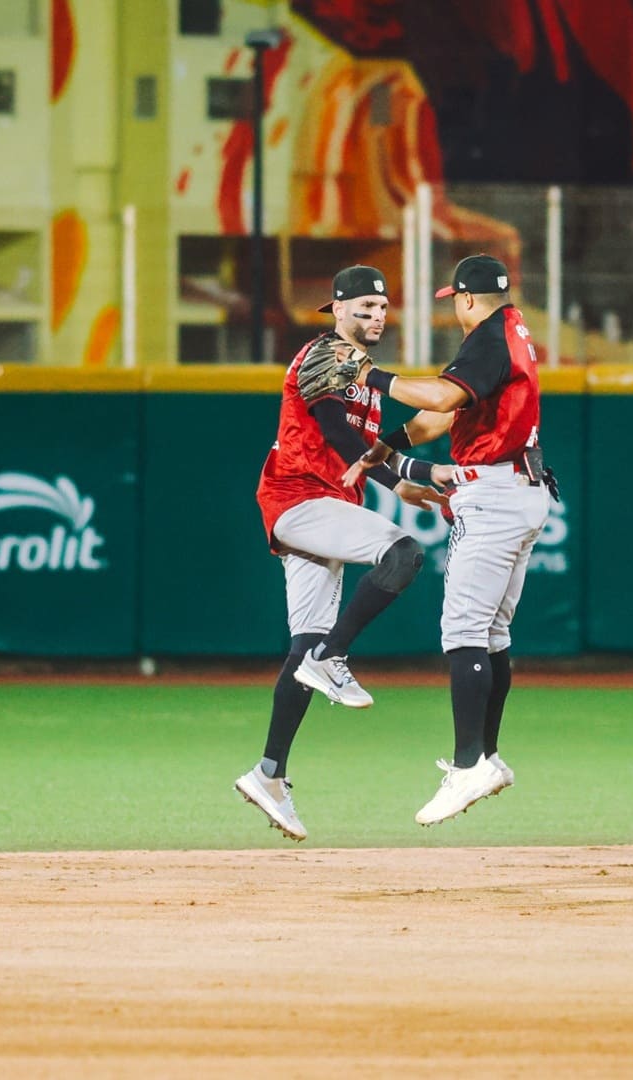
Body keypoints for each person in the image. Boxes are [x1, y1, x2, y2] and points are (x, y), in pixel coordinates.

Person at [237, 267, 447, 841]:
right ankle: (333, 657)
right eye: (364, 306)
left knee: (302, 645)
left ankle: (268, 775)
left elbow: (361, 447)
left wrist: (406, 479)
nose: (376, 315)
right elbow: (333, 430)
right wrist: (402, 477)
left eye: (382, 306)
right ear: (336, 308)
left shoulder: (363, 370)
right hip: (300, 497)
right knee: (402, 552)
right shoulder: (324, 355)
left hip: (325, 504)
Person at [342, 255, 553, 826]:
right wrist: (387, 447)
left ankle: (467, 767)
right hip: (520, 488)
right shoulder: (510, 331)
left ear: (466, 298)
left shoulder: (488, 338)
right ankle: (487, 758)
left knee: (463, 632)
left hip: (494, 493)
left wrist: (372, 377)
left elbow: (439, 399)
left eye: (454, 299)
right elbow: (445, 413)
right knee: (491, 633)